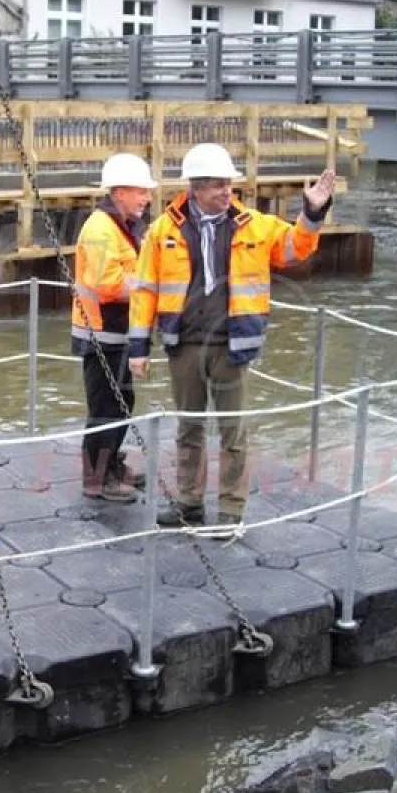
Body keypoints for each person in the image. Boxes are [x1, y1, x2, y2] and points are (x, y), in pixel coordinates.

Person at [127, 143, 336, 527]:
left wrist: (311, 212)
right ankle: (189, 503)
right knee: (188, 428)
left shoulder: (254, 225)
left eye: (229, 185)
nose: (228, 193)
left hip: (231, 346)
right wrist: (137, 349)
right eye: (218, 186)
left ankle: (230, 511)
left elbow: (295, 249)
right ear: (196, 189)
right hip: (185, 346)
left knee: (233, 432)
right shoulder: (161, 232)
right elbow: (144, 291)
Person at [71, 152, 157, 502]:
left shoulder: (122, 225)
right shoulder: (100, 228)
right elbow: (109, 285)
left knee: (121, 402)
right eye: (141, 192)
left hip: (117, 333)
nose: (147, 198)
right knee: (106, 407)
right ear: (119, 191)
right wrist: (151, 286)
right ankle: (96, 478)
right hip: (100, 335)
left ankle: (110, 465)